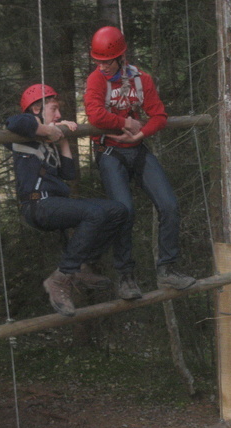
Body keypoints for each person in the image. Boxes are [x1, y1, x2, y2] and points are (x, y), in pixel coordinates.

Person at [84, 25, 196, 300]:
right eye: (97, 61)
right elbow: (96, 115)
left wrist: (142, 132)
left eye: (107, 61)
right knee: (125, 210)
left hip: (138, 148)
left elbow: (159, 115)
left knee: (169, 204)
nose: (102, 66)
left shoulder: (140, 79)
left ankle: (168, 269)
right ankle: (125, 277)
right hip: (110, 152)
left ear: (121, 57)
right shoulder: (96, 81)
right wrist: (125, 122)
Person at [6, 84, 129, 316]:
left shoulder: (48, 139)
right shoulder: (23, 134)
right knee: (95, 214)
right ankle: (61, 278)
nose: (59, 115)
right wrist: (47, 129)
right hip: (37, 205)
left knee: (118, 211)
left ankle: (79, 266)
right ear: (35, 108)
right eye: (54, 109)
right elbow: (14, 122)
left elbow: (68, 174)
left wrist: (62, 138)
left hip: (54, 203)